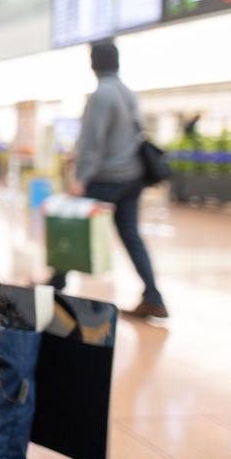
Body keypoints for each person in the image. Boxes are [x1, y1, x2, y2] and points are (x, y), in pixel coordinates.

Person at [60, 41, 168, 319]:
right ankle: (153, 297)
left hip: (107, 178)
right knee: (132, 236)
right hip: (132, 177)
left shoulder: (101, 95)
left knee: (75, 228)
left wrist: (81, 178)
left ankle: (53, 286)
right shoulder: (128, 93)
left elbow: (92, 142)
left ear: (93, 64)